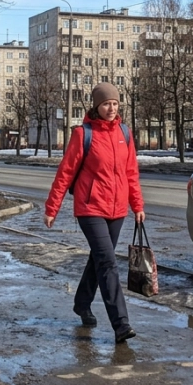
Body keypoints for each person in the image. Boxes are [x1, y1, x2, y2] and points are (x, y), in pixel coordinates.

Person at [45, 82, 144, 345]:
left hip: (117, 209)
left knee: (100, 259)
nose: (111, 108)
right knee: (108, 262)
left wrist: (138, 206)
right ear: (96, 107)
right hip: (90, 208)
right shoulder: (83, 134)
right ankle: (121, 324)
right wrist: (51, 208)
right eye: (105, 104)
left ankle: (81, 303)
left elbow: (131, 173)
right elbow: (65, 172)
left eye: (114, 103)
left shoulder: (125, 132)